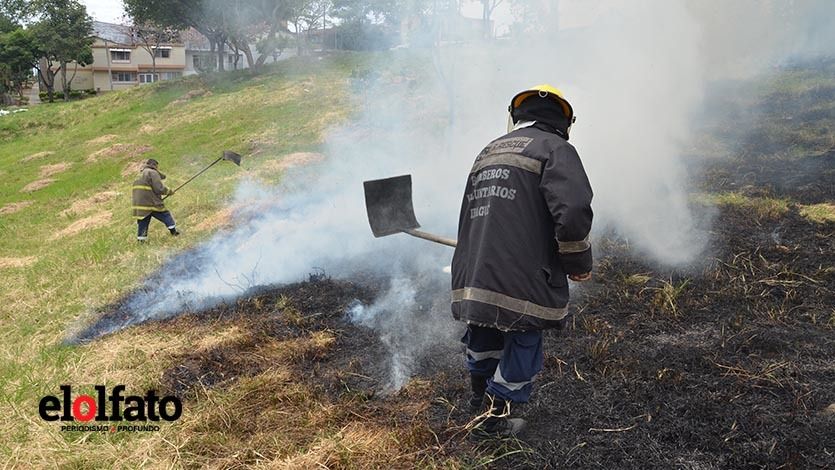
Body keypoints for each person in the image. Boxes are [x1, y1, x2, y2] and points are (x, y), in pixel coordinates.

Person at [451, 85, 594, 438]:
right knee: (524, 337)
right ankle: (495, 417)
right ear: (564, 122)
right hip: (521, 273)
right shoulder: (557, 149)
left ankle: (477, 399)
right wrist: (576, 260)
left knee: (484, 329)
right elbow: (573, 210)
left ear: (516, 116)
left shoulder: (488, 151)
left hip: (475, 269)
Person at [132, 159, 179, 242]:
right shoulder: (152, 172)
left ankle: (141, 240)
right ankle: (174, 232)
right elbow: (159, 188)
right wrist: (169, 191)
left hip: (139, 203)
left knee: (143, 220)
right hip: (150, 202)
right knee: (165, 214)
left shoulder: (140, 174)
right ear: (155, 165)